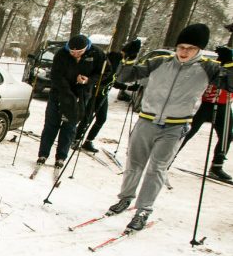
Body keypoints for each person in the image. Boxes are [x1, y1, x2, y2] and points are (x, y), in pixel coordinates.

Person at [107, 24, 233, 230]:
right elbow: (124, 77)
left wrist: (229, 64)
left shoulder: (208, 67)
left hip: (175, 126)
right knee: (134, 164)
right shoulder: (159, 62)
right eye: (181, 47)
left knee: (156, 169)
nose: (184, 52)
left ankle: (143, 210)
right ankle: (126, 198)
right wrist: (129, 57)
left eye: (190, 48)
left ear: (199, 49)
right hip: (146, 120)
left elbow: (230, 84)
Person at [35, 34, 106, 171]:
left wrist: (88, 80)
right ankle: (43, 154)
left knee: (70, 126)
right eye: (72, 52)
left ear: (86, 48)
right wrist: (67, 92)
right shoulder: (62, 54)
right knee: (51, 124)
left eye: (79, 52)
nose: (75, 55)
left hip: (81, 94)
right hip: (60, 93)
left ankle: (61, 157)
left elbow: (104, 73)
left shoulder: (97, 54)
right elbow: (56, 75)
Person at [172, 65, 233, 183]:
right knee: (189, 131)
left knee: (227, 136)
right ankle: (168, 159)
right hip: (207, 103)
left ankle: (217, 166)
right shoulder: (218, 64)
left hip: (225, 104)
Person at [79, 50, 123, 153]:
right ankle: (76, 138)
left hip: (103, 95)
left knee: (101, 118)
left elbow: (113, 81)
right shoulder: (107, 63)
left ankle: (88, 140)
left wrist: (127, 86)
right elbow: (103, 78)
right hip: (94, 93)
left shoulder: (117, 66)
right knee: (87, 118)